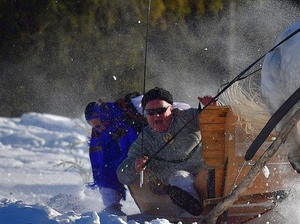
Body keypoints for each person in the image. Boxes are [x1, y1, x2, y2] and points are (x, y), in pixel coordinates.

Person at [117, 87, 216, 216]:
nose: (156, 116)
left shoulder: (188, 117)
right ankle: (189, 217)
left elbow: (216, 121)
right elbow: (122, 173)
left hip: (207, 174)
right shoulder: (144, 140)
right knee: (179, 177)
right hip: (175, 186)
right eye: (150, 112)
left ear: (171, 109)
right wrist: (135, 166)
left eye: (161, 110)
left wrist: (213, 108)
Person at [85, 101, 138, 216]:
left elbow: (134, 144)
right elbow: (100, 163)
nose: (99, 128)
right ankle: (112, 206)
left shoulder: (125, 119)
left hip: (138, 162)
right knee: (108, 170)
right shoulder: (100, 135)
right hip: (120, 165)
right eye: (95, 127)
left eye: (100, 124)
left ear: (104, 116)